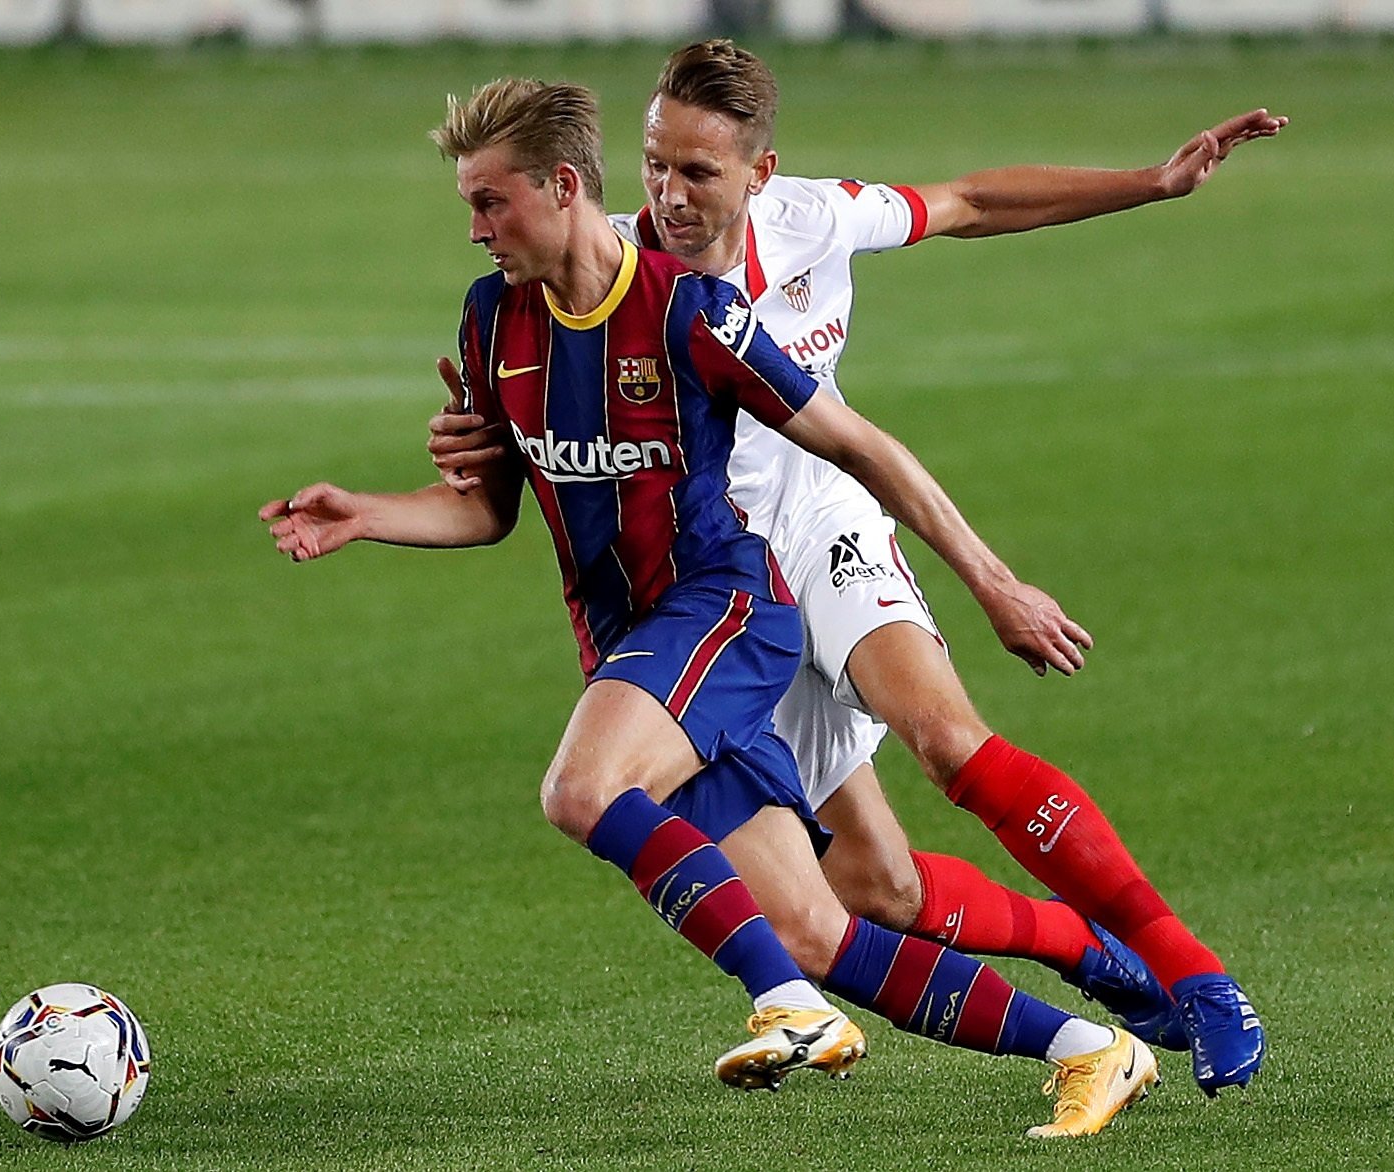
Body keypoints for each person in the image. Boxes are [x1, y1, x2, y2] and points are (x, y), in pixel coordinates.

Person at [264, 76, 1157, 1138]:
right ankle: (1094, 1046)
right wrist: (363, 512)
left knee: (580, 788)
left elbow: (861, 444)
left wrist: (991, 578)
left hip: (723, 609)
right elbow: (487, 510)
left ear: (560, 186)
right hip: (636, 647)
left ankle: (785, 1007)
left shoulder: (690, 310)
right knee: (826, 926)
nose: (475, 228)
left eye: (490, 201)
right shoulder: (492, 317)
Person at [427, 40, 1285, 1097]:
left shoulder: (815, 221)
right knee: (878, 888)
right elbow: (534, 412)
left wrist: (1150, 183)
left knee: (950, 742)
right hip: (714, 590)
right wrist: (481, 438)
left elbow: (968, 201)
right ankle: (1084, 950)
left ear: (760, 172)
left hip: (823, 527)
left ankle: (1197, 975)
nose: (667, 195)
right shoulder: (599, 267)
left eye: (698, 171)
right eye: (655, 165)